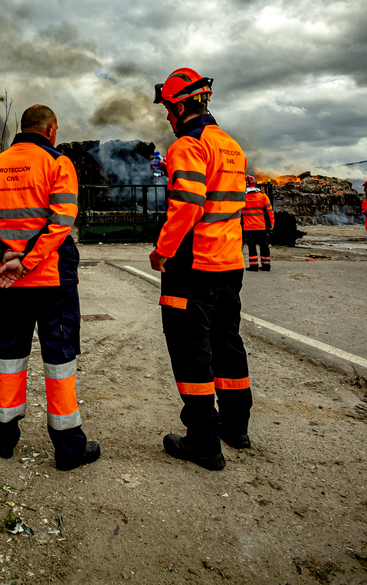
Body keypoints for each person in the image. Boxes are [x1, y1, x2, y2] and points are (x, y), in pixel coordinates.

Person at [0, 104, 101, 472]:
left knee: (10, 356)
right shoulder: (58, 165)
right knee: (59, 360)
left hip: (10, 282)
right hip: (52, 281)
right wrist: (28, 260)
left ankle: (4, 439)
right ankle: (69, 448)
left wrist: (5, 256)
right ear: (51, 129)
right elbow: (60, 223)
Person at [148, 68, 251, 472]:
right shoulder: (230, 145)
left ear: (178, 106)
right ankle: (235, 426)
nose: (167, 120)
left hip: (194, 266)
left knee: (192, 349)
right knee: (227, 343)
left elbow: (188, 205)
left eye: (168, 111)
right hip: (229, 263)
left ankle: (204, 440)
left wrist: (162, 251)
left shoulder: (188, 146)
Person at [241, 175, 274, 271]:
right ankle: (266, 265)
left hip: (248, 227)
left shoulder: (242, 197)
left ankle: (254, 266)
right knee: (264, 245)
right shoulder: (263, 196)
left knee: (251, 246)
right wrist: (271, 224)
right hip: (261, 226)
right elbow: (270, 212)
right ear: (255, 183)